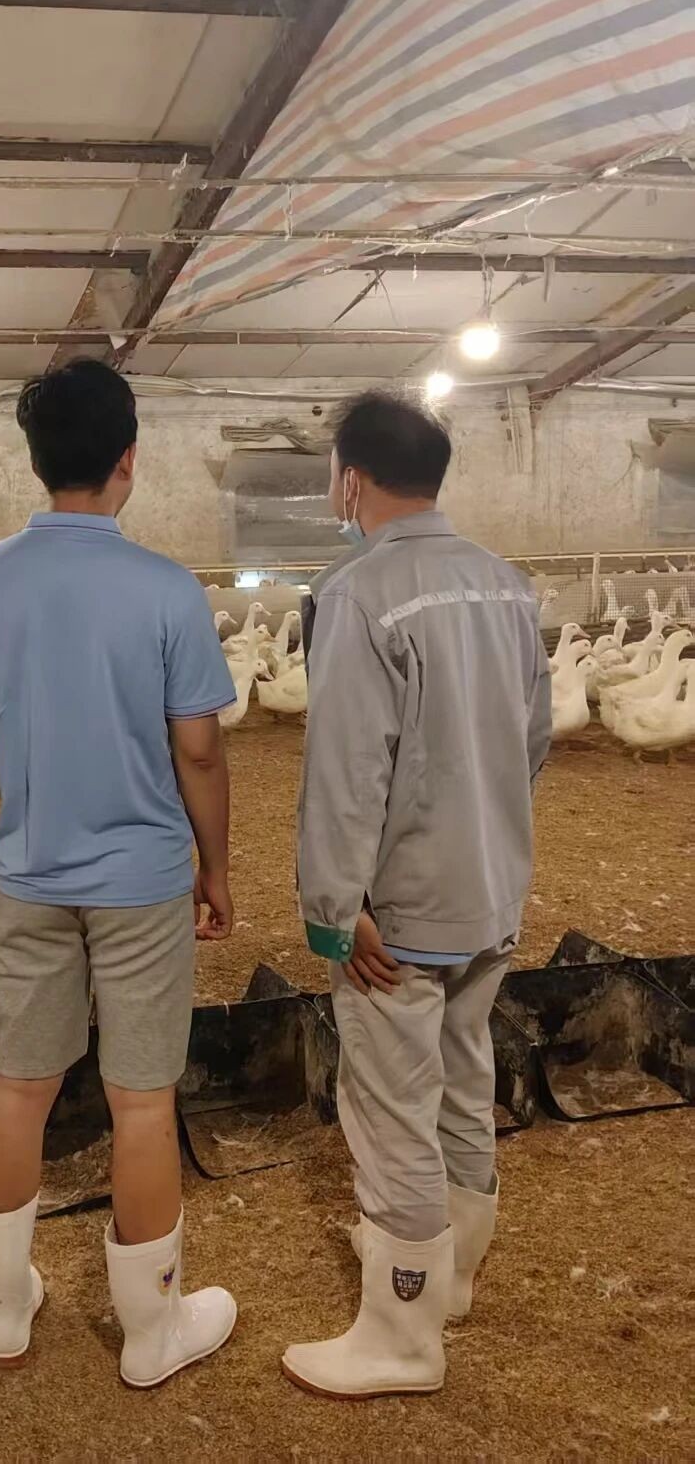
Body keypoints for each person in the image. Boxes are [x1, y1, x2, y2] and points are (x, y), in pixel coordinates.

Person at [0, 360, 238, 1386]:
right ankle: (150, 1331)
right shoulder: (167, 589)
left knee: (20, 1084)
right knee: (141, 1099)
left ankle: (6, 1306)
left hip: (28, 868)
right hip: (141, 877)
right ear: (127, 460)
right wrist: (214, 865)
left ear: (33, 460)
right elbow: (199, 750)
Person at [282, 389, 551, 1401]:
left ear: (350, 479)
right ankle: (455, 1273)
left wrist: (331, 908)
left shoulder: (357, 592)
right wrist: (484, 835)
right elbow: (533, 740)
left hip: (398, 909)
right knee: (463, 1070)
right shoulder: (505, 584)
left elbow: (348, 770)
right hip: (488, 887)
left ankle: (400, 1333)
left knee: (391, 1105)